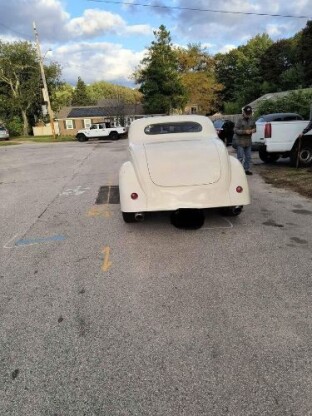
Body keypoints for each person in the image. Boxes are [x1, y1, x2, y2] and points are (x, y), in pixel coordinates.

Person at [234, 105, 256, 175]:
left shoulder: (252, 120)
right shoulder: (239, 120)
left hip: (248, 141)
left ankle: (246, 169)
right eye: (247, 113)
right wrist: (244, 131)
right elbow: (235, 130)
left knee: (248, 157)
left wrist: (253, 130)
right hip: (240, 141)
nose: (248, 115)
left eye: (249, 113)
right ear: (244, 112)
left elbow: (255, 128)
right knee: (240, 157)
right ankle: (238, 171)